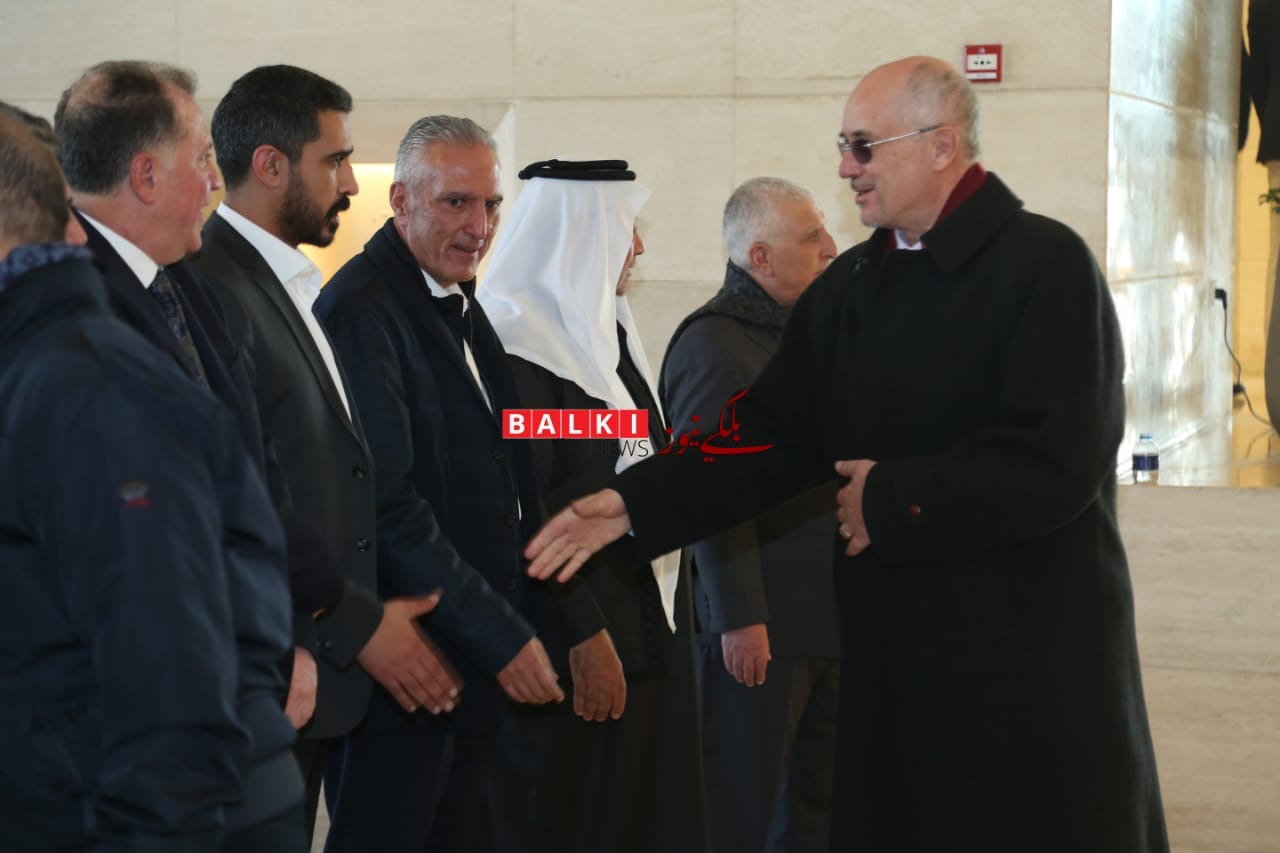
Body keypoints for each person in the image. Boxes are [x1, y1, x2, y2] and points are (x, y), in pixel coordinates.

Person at [526, 56, 1169, 853]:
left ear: (940, 144)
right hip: (896, 656)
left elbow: (1060, 458)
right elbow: (765, 433)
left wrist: (891, 499)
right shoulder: (854, 287)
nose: (845, 168)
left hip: (1023, 659)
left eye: (863, 146)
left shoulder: (1045, 265)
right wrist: (635, 503)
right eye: (843, 146)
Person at [0, 114, 292, 850]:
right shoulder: (39, 368)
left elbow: (172, 676)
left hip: (139, 817)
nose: (213, 180)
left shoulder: (90, 389)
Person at [189, 65, 459, 839]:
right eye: (335, 160)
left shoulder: (287, 280)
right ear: (271, 165)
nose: (348, 183)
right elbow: (237, 490)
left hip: (321, 662)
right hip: (275, 663)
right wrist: (321, 630)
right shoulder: (212, 287)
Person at [315, 115, 563, 853]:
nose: (478, 226)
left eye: (490, 205)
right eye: (456, 202)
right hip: (411, 667)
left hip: (469, 663)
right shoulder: (362, 309)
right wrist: (498, 633)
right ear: (400, 200)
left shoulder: (459, 299)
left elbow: (504, 458)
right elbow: (386, 502)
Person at [478, 158, 709, 853]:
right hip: (570, 644)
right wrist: (584, 632)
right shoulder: (517, 356)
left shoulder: (612, 352)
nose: (636, 248)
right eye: (625, 230)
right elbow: (530, 507)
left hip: (644, 636)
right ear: (579, 237)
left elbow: (639, 459)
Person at [659, 176, 840, 853]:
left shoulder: (808, 334)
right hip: (758, 630)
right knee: (738, 809)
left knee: (816, 811)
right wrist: (739, 617)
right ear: (759, 257)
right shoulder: (713, 342)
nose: (831, 247)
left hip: (827, 615)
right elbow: (710, 490)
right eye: (811, 236)